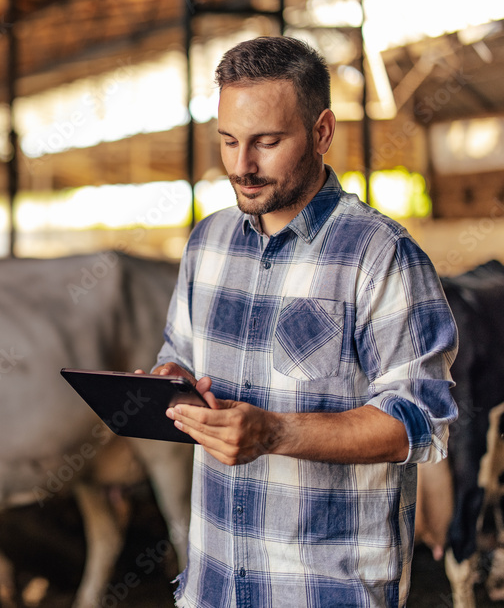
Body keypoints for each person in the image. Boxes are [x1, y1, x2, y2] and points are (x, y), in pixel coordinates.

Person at [147, 36, 458, 607]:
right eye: (229, 141)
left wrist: (276, 432)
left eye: (267, 142)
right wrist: (170, 377)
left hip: (323, 592)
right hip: (213, 584)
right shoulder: (208, 243)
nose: (243, 166)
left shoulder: (379, 254)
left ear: (321, 132)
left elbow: (419, 422)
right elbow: (183, 354)